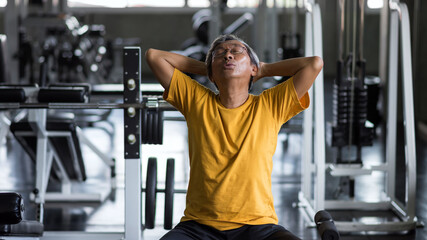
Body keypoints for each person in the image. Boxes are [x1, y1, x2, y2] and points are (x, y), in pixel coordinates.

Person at [146, 34, 323, 240]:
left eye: (236, 52)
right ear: (211, 73)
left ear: (253, 69)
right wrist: (209, 68)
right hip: (198, 227)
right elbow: (154, 57)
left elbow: (314, 64)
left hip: (258, 227)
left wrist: (263, 69)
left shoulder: (271, 105)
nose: (228, 56)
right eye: (220, 54)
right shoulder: (196, 100)